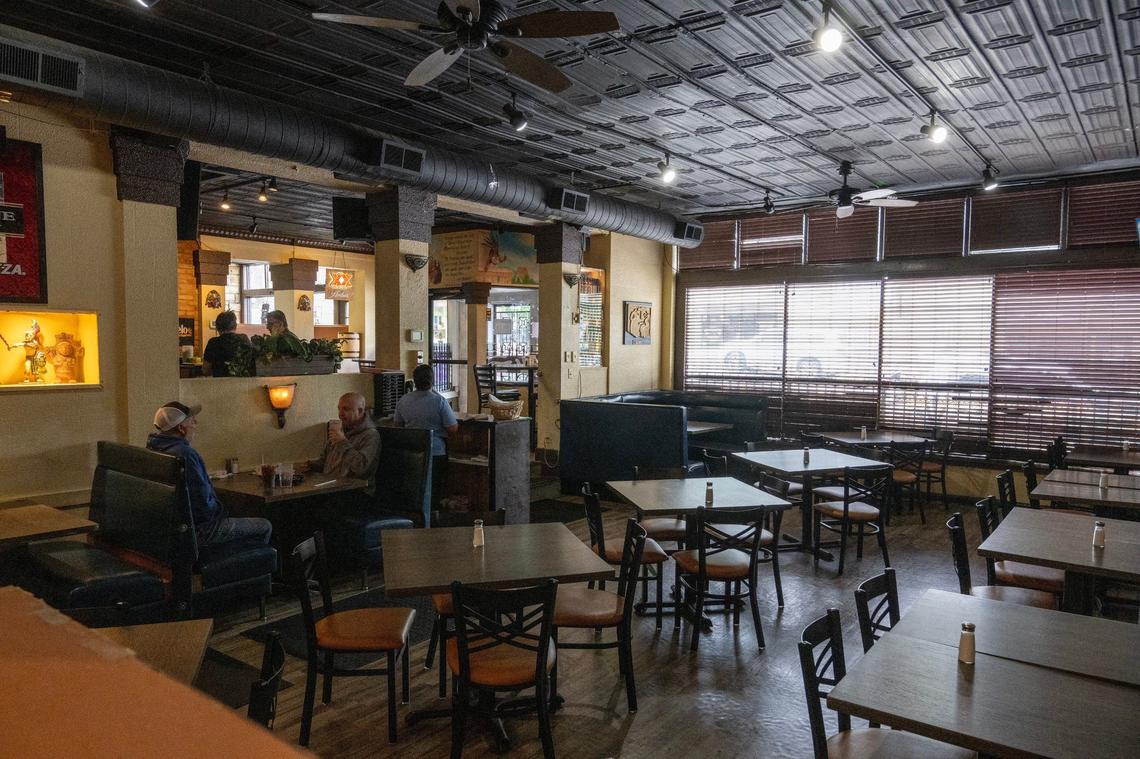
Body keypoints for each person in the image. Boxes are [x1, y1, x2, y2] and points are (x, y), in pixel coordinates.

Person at [146, 401, 272, 554]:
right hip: (199, 531)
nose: (196, 423)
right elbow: (203, 506)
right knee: (264, 526)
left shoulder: (153, 450)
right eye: (192, 420)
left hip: (168, 532)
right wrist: (223, 513)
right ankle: (234, 572)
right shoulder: (186, 455)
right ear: (181, 428)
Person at [393, 364, 458, 505]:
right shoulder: (439, 401)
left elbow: (398, 426)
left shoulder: (403, 400)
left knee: (416, 490)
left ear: (414, 381)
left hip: (411, 452)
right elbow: (452, 428)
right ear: (432, 379)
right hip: (435, 451)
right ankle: (433, 517)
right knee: (435, 490)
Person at [310, 392, 380, 484]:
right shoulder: (339, 430)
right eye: (339, 409)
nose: (340, 414)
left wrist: (342, 443)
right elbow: (324, 463)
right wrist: (310, 466)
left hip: (355, 490)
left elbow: (361, 467)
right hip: (330, 485)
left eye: (346, 409)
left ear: (360, 411)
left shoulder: (370, 435)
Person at [201, 310, 250, 377]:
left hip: (220, 384)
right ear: (235, 326)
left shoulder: (213, 343)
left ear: (217, 327)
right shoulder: (244, 339)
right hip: (243, 383)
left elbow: (205, 369)